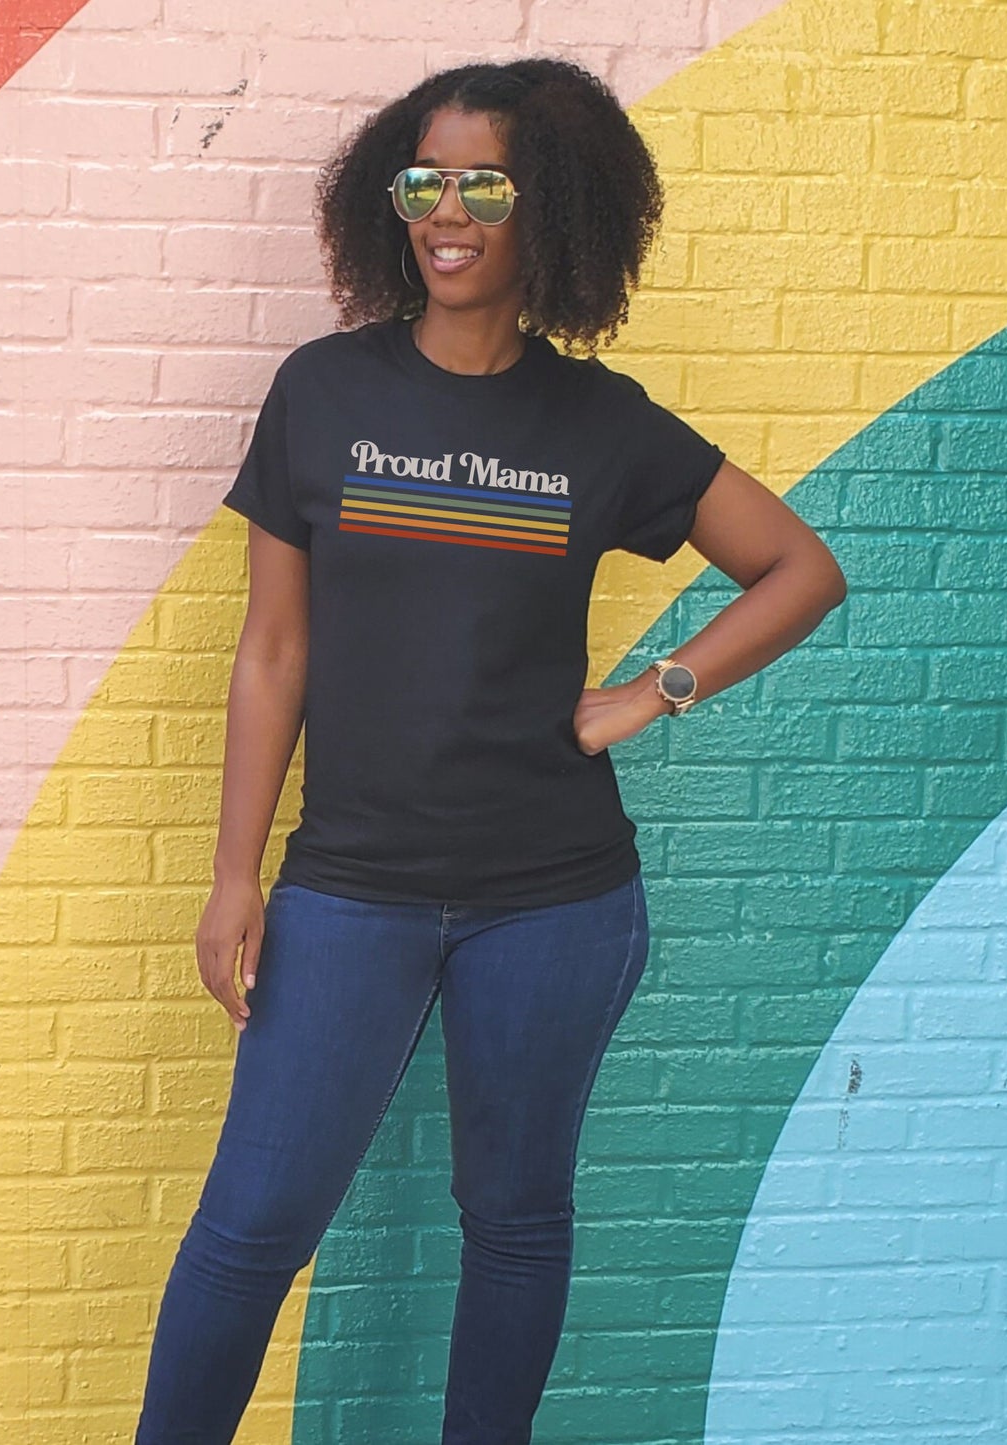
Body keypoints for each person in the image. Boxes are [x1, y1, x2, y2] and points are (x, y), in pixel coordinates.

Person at [135, 57, 846, 1445]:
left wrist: (655, 689)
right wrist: (235, 878)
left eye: (484, 183)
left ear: (551, 209)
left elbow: (797, 569)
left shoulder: (600, 424)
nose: (445, 211)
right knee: (253, 1220)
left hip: (556, 895)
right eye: (422, 179)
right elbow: (273, 652)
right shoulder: (323, 390)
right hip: (350, 885)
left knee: (513, 1219)